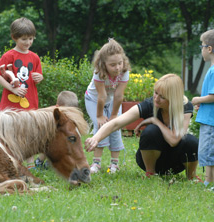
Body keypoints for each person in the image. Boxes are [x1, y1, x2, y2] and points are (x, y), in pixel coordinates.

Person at [85, 74, 199, 180]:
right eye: (155, 93)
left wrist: (155, 120)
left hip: (176, 162)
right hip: (151, 160)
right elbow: (116, 123)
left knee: (191, 141)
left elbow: (174, 140)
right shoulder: (149, 104)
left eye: (162, 97)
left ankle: (191, 177)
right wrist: (96, 138)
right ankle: (150, 173)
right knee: (150, 131)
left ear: (173, 99)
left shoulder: (184, 106)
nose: (156, 98)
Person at [0, 17, 43, 169]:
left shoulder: (34, 57)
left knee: (29, 134)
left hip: (30, 103)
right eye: (24, 39)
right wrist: (13, 88)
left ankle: (30, 165)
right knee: (10, 135)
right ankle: (10, 162)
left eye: (30, 39)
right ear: (14, 37)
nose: (27, 42)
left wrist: (39, 77)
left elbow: (38, 77)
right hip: (11, 105)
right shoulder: (9, 56)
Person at [85, 38, 131, 174]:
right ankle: (96, 163)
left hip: (112, 101)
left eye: (120, 63)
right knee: (101, 125)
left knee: (115, 126)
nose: (117, 67)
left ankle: (114, 164)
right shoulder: (99, 72)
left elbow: (118, 95)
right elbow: (101, 96)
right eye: (112, 65)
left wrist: (114, 116)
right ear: (103, 64)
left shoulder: (124, 72)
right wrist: (99, 116)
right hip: (94, 99)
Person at [191, 29, 214, 188]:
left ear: (210, 49)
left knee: (208, 152)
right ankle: (208, 181)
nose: (202, 50)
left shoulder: (213, 71)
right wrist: (203, 104)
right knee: (209, 152)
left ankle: (208, 182)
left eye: (202, 46)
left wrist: (197, 99)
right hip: (209, 116)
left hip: (211, 121)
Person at [34, 90, 79, 169]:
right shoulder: (53, 114)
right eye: (67, 111)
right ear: (58, 107)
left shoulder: (73, 118)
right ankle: (39, 161)